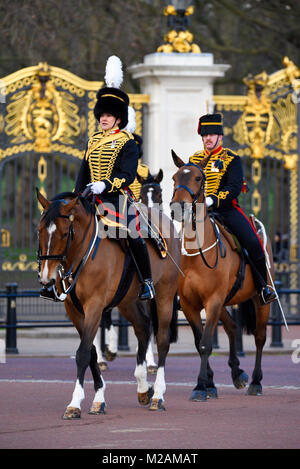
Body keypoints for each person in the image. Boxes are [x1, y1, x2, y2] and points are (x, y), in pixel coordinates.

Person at [75, 56, 155, 300]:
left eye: (109, 115)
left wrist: (105, 185)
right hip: (91, 198)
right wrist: (78, 195)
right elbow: (83, 172)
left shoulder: (127, 143)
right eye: (102, 114)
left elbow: (128, 176)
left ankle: (147, 282)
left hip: (116, 198)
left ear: (119, 119)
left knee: (134, 235)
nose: (104, 118)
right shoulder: (93, 141)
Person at [189, 113, 276, 305]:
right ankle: (181, 291)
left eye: (211, 134)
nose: (208, 138)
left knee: (253, 242)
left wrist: (213, 199)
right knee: (181, 244)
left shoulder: (231, 159)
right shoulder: (194, 159)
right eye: (204, 135)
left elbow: (235, 187)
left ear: (220, 136)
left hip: (226, 211)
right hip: (200, 214)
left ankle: (264, 287)